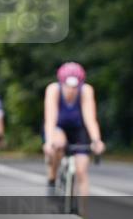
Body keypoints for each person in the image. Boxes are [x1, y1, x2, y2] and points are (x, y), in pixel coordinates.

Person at [43, 62, 105, 198]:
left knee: (82, 170)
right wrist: (49, 142)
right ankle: (52, 179)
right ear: (62, 83)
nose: (71, 90)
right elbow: (50, 119)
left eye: (75, 87)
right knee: (57, 144)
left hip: (78, 129)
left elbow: (90, 119)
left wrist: (96, 140)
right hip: (58, 127)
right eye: (68, 86)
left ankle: (82, 214)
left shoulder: (86, 91)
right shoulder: (53, 90)